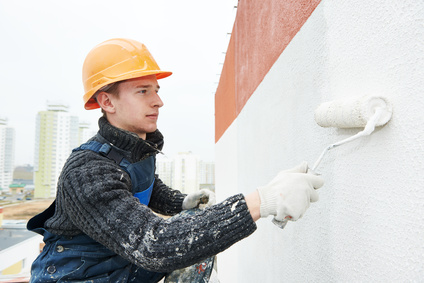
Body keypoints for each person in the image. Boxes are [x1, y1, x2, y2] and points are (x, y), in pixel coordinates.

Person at [27, 38, 324, 282]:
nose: (158, 101)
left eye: (156, 90)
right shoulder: (86, 172)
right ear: (107, 102)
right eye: (143, 91)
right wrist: (264, 201)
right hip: (78, 275)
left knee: (197, 228)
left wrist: (181, 203)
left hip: (118, 262)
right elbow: (154, 245)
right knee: (184, 241)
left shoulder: (135, 149)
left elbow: (145, 186)